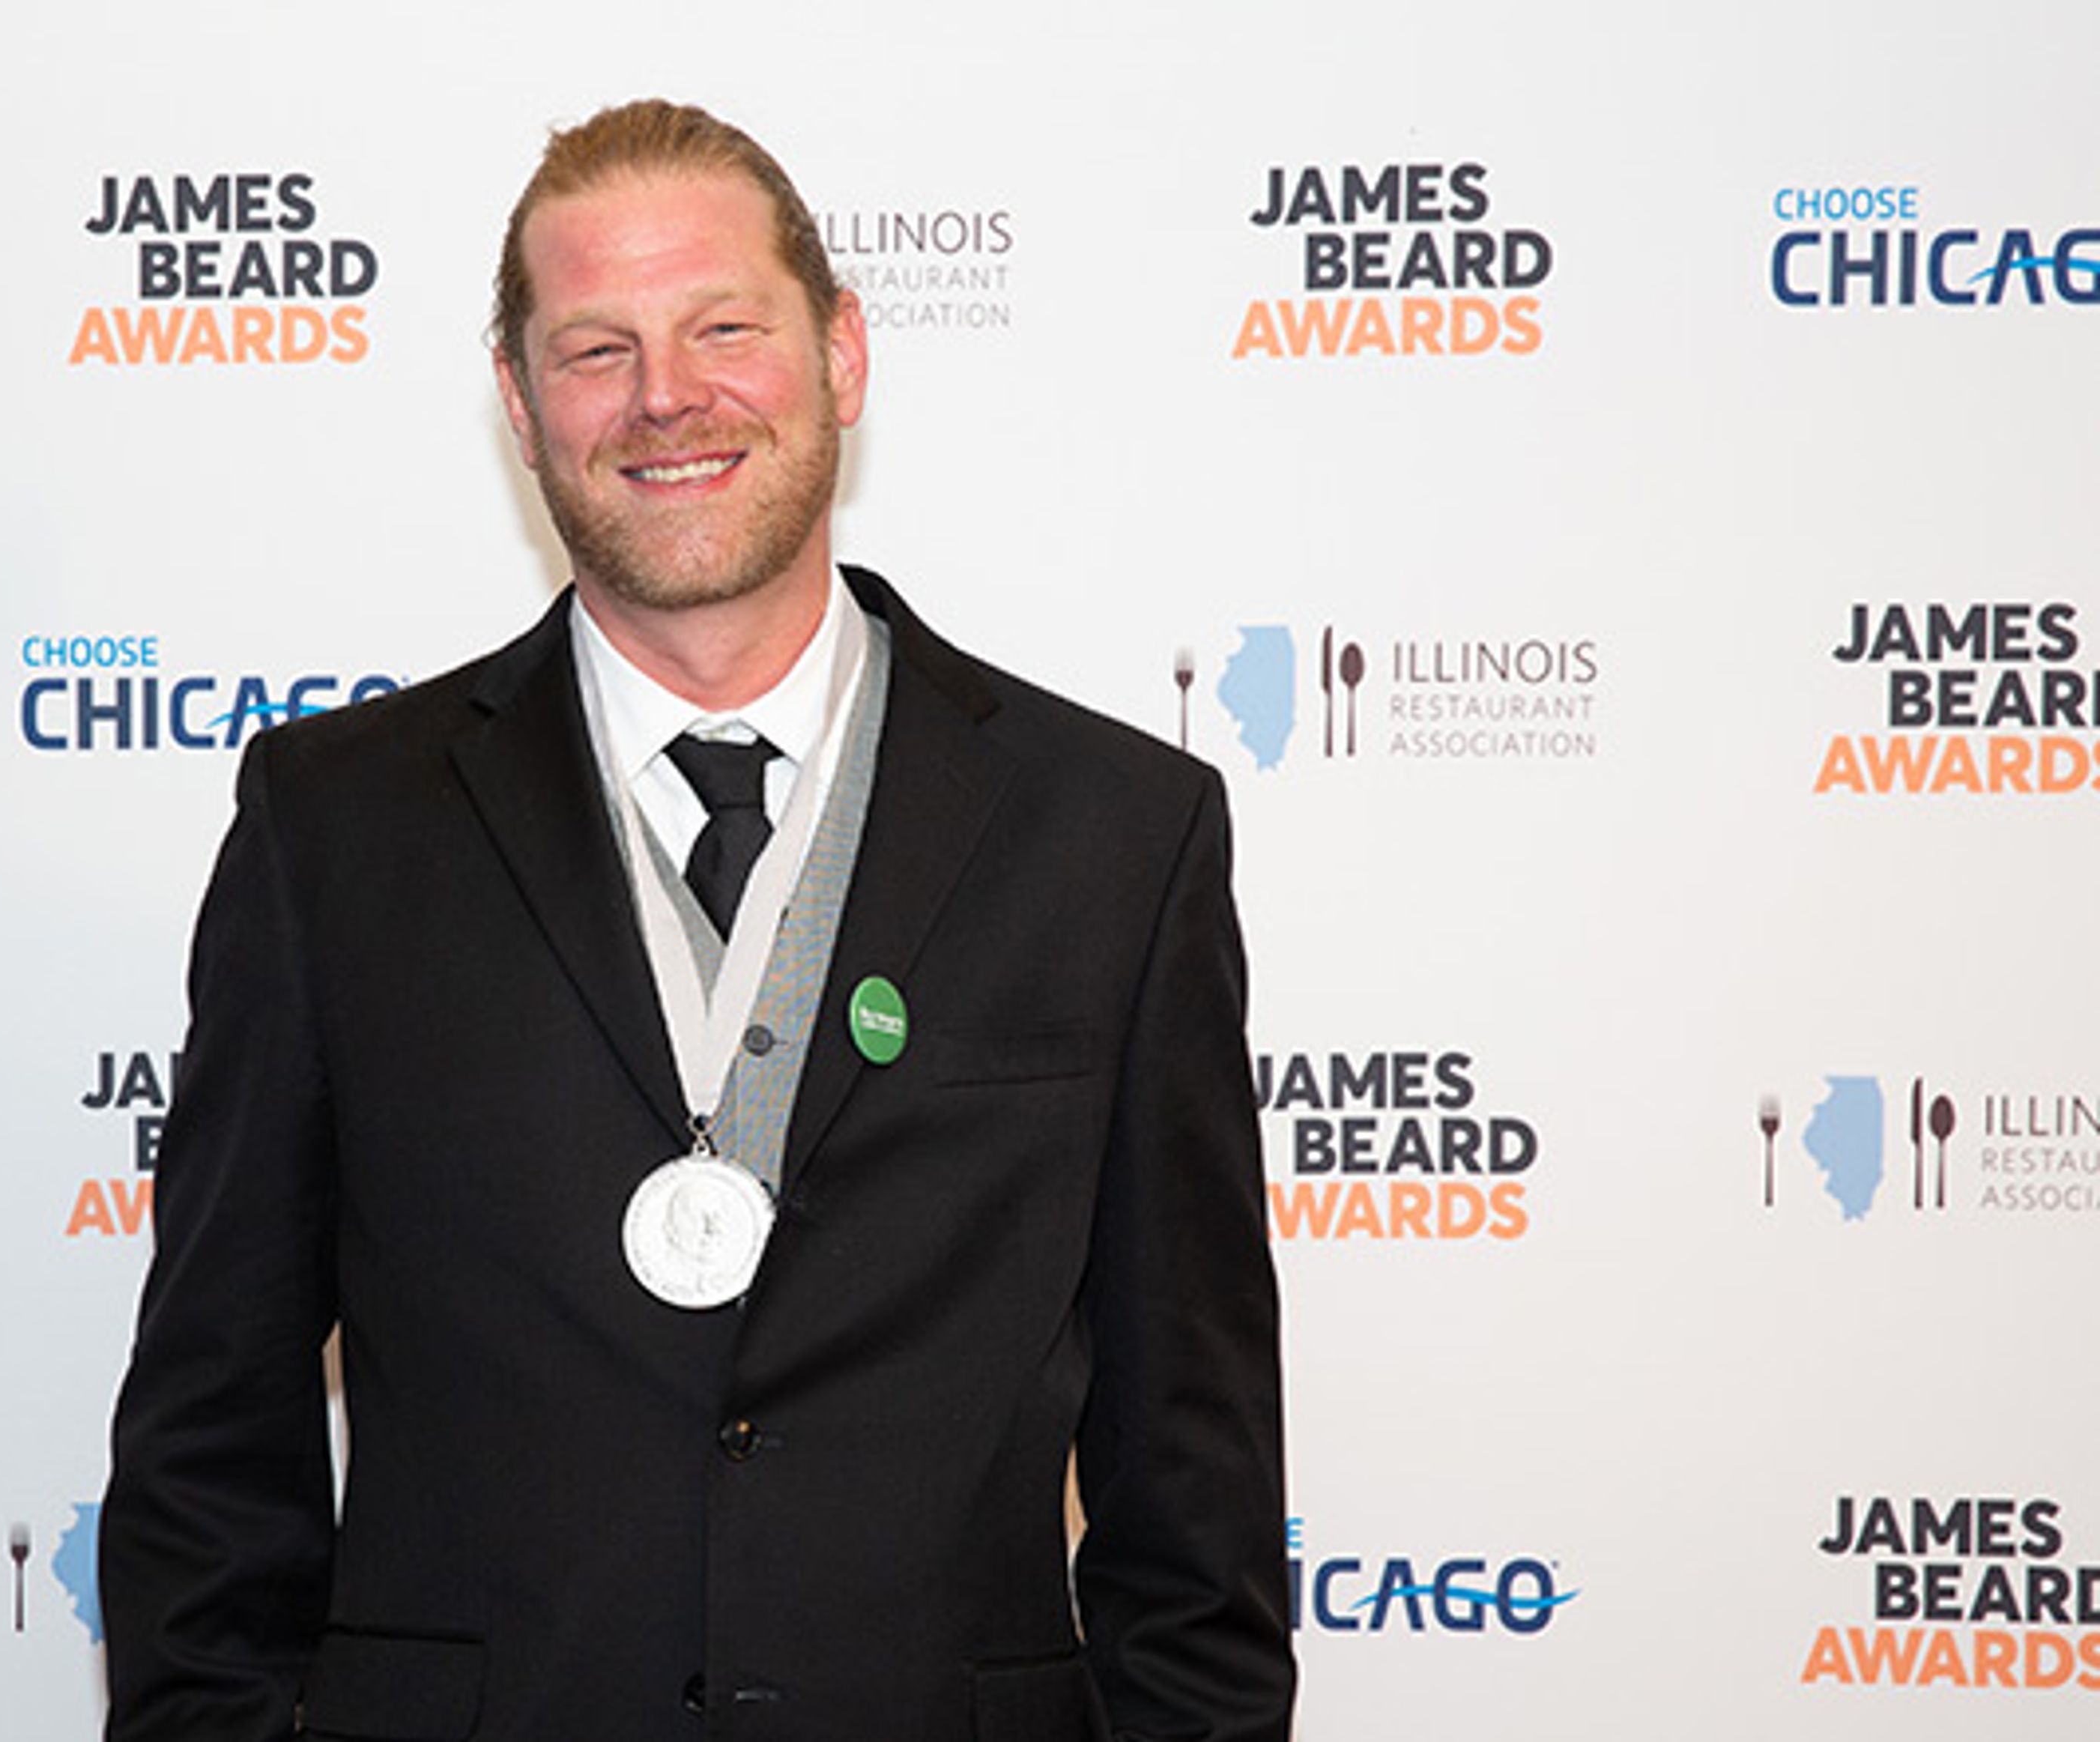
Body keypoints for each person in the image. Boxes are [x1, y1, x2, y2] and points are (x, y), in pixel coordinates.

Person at [100, 97, 1292, 1742]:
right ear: (522, 404)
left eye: (724, 328)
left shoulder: (1114, 839)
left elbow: (1197, 1500)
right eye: (597, 348)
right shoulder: (335, 831)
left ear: (842, 354)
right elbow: (210, 1447)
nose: (665, 395)